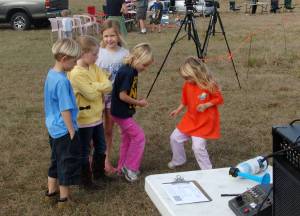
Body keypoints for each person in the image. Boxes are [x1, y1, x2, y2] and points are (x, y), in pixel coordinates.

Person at [68, 36, 112, 190]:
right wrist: (98, 87)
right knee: (84, 151)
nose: (97, 57)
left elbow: (108, 85)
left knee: (101, 147)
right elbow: (92, 95)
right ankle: (85, 181)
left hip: (97, 118)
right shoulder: (76, 73)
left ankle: (99, 174)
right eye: (94, 54)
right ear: (83, 53)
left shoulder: (93, 67)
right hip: (83, 119)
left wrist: (94, 85)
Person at [168, 56, 224, 170]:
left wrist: (206, 105)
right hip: (191, 119)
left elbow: (219, 99)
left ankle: (208, 170)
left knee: (197, 147)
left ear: (197, 73)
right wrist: (178, 110)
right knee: (174, 138)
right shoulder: (187, 84)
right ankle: (179, 159)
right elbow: (185, 100)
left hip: (204, 121)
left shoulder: (209, 84)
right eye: (185, 78)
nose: (186, 80)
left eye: (188, 77)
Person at [44, 38, 81, 206]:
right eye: (74, 61)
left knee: (55, 160)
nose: (75, 64)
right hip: (64, 130)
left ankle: (51, 191)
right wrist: (71, 130)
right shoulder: (62, 81)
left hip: (53, 128)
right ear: (64, 59)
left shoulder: (51, 74)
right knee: (66, 162)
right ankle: (64, 198)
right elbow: (65, 109)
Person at [111, 43, 153, 182]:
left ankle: (121, 167)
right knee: (139, 137)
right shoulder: (127, 72)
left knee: (127, 138)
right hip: (120, 113)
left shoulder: (133, 70)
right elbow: (122, 96)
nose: (145, 69)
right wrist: (138, 103)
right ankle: (130, 168)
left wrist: (136, 101)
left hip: (123, 111)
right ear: (137, 59)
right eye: (144, 65)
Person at [95, 20, 129, 175]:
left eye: (112, 35)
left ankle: (106, 160)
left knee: (108, 130)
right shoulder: (97, 53)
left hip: (114, 99)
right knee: (93, 130)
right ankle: (93, 159)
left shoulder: (125, 54)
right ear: (102, 36)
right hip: (95, 97)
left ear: (118, 35)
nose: (109, 39)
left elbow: (129, 77)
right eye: (106, 36)